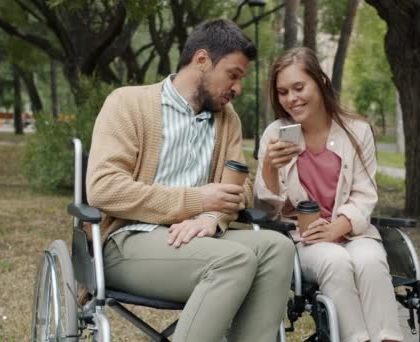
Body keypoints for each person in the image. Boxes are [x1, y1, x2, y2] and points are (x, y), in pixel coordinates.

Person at [86, 19, 294, 342]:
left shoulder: (228, 121)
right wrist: (198, 201)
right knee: (233, 260)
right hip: (129, 239)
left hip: (201, 238)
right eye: (233, 75)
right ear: (202, 61)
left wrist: (213, 216)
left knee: (277, 248)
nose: (237, 88)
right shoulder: (128, 104)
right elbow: (103, 188)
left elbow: (240, 191)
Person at [254, 47, 403, 342]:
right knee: (335, 260)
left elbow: (364, 195)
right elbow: (267, 211)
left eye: (299, 87)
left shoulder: (355, 131)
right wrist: (270, 168)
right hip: (303, 239)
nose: (291, 99)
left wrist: (336, 227)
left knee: (370, 260)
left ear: (321, 81)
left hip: (352, 232)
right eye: (283, 92)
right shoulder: (278, 134)